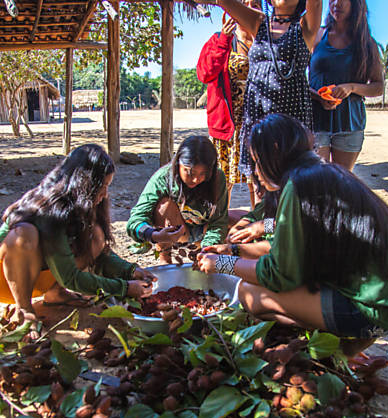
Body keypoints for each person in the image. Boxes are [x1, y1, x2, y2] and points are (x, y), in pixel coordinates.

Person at [198, 114, 388, 349]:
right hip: (387, 304)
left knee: (249, 293)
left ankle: (335, 347)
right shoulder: (321, 173)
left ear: (274, 151)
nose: (255, 170)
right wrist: (234, 251)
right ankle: (339, 344)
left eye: (256, 160)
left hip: (370, 310)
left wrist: (222, 264)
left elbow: (280, 274)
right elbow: (289, 248)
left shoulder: (298, 186)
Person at [0, 144, 155, 334]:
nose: (105, 193)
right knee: (24, 234)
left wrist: (130, 271)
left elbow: (101, 253)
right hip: (7, 282)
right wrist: (124, 288)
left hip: (43, 277)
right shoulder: (49, 210)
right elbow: (71, 278)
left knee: (96, 234)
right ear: (84, 184)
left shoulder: (84, 204)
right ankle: (23, 308)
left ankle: (55, 293)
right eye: (102, 186)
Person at [216, 0, 322, 179]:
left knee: (295, 185)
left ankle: (288, 221)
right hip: (258, 115)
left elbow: (316, 0)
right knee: (261, 186)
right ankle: (268, 222)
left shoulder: (305, 27)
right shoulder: (258, 22)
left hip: (293, 121)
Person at [197, 0, 263, 208]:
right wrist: (224, 40)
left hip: (257, 124)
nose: (249, 10)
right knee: (223, 181)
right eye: (244, 5)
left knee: (259, 181)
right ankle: (217, 228)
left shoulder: (266, 43)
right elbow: (205, 73)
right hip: (227, 124)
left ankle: (262, 226)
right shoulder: (219, 40)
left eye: (255, 5)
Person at [309, 0, 384, 171]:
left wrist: (351, 87)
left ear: (356, 2)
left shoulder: (367, 43)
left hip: (350, 124)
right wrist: (316, 96)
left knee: (341, 182)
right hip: (316, 121)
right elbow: (298, 78)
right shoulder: (317, 35)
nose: (337, 2)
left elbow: (378, 87)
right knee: (319, 181)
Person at [127, 135, 228, 264]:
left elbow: (219, 222)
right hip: (176, 231)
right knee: (164, 206)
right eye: (190, 173)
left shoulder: (217, 178)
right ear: (178, 162)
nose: (196, 179)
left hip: (203, 229)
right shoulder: (163, 178)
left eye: (203, 174)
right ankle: (165, 259)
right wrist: (153, 234)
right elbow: (135, 221)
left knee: (240, 222)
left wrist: (208, 249)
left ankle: (208, 256)